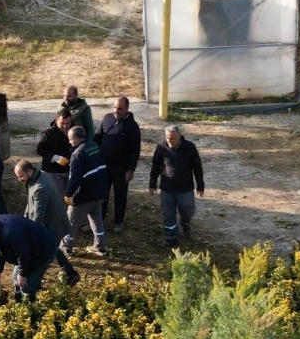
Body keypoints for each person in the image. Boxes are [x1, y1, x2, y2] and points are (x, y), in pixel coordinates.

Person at [15, 159, 81, 286]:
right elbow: (31, 204)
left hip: (52, 224)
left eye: (21, 176)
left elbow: (39, 215)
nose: (20, 179)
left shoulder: (40, 187)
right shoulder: (39, 175)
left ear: (29, 171)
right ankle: (70, 273)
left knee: (44, 252)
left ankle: (36, 280)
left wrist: (30, 234)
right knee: (52, 248)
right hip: (54, 222)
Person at [0, 212, 59, 301]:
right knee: (15, 278)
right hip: (29, 249)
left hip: (43, 251)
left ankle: (30, 309)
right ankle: (20, 300)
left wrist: (23, 274)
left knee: (25, 286)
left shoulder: (10, 232)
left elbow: (23, 255)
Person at [148, 124, 205, 247]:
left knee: (188, 209)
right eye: (167, 138)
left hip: (185, 189)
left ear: (179, 137)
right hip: (167, 189)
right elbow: (155, 166)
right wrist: (152, 184)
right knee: (168, 215)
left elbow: (197, 167)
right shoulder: (161, 147)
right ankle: (171, 238)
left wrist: (200, 185)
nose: (169, 141)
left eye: (172, 138)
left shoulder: (190, 147)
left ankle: (185, 224)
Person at [94, 96, 141, 233]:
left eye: (120, 108)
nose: (116, 110)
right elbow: (97, 137)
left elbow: (135, 150)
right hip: (104, 166)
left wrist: (131, 170)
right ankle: (99, 220)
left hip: (122, 168)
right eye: (114, 107)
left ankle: (118, 222)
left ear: (127, 109)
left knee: (120, 196)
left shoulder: (132, 126)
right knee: (102, 194)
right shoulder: (106, 118)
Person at [63, 126, 110, 257]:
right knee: (96, 219)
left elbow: (75, 178)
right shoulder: (95, 146)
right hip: (99, 191)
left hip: (84, 194)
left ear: (77, 139)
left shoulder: (77, 154)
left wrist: (68, 194)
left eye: (70, 139)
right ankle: (100, 246)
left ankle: (66, 247)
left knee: (71, 221)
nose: (69, 142)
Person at [35, 110, 74, 175]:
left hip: (69, 170)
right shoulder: (48, 134)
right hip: (52, 172)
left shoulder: (75, 131)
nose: (65, 126)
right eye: (62, 123)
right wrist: (54, 157)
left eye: (67, 123)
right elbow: (40, 150)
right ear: (56, 120)